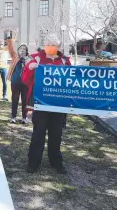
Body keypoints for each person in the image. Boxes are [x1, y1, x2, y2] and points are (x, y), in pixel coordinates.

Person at [22, 33, 71, 174]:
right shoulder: (36, 58)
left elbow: (71, 80)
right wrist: (30, 69)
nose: (50, 47)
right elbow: (25, 80)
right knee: (38, 133)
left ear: (59, 47)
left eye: (54, 45)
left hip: (58, 103)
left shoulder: (64, 61)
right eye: (48, 44)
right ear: (45, 45)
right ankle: (33, 162)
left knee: (56, 133)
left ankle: (56, 161)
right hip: (40, 102)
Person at [6, 32, 29, 124]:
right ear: (18, 50)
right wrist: (9, 39)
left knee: (25, 101)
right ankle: (13, 116)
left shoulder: (29, 59)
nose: (22, 51)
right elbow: (11, 48)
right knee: (14, 100)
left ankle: (24, 117)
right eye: (21, 49)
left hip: (25, 84)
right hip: (15, 83)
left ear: (26, 51)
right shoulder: (15, 56)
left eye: (24, 50)